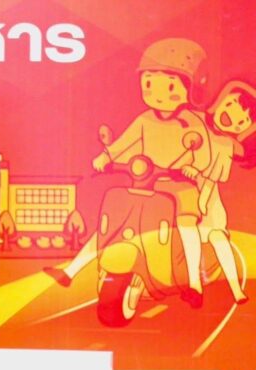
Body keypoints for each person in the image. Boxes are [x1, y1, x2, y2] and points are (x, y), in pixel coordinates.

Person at [45, 38, 211, 308]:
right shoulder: (145, 119)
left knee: (187, 226)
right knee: (110, 225)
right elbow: (124, 143)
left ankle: (194, 282)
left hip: (179, 187)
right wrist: (106, 156)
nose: (157, 93)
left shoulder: (191, 123)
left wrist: (193, 168)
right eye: (149, 83)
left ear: (193, 88)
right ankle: (71, 271)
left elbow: (204, 153)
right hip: (145, 184)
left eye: (169, 86)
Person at [181, 80, 256, 304]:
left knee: (217, 238)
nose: (231, 118)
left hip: (207, 202)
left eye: (241, 122)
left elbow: (211, 180)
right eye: (231, 105)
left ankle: (236, 290)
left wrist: (202, 203)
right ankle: (194, 284)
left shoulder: (225, 146)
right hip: (182, 193)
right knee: (189, 235)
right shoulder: (195, 121)